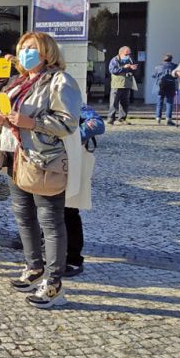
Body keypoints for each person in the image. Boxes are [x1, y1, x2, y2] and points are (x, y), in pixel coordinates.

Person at [0, 31, 82, 309]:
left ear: (46, 52)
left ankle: (54, 283)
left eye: (31, 48)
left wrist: (31, 122)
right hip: (15, 157)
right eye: (22, 48)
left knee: (51, 222)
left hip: (43, 159)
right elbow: (1, 108)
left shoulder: (60, 81)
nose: (25, 53)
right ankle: (34, 269)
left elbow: (68, 122)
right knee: (24, 218)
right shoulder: (19, 81)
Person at [64, 104, 105, 277]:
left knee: (69, 211)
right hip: (47, 166)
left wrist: (73, 138)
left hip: (72, 164)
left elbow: (97, 124)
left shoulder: (74, 102)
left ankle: (73, 258)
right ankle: (52, 254)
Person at [107, 46, 138, 125]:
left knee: (125, 103)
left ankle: (122, 118)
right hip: (117, 84)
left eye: (129, 54)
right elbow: (113, 70)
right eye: (126, 54)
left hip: (127, 84)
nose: (128, 55)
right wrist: (124, 67)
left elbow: (133, 69)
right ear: (121, 53)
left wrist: (133, 68)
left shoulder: (130, 59)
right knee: (114, 102)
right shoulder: (115, 60)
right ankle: (111, 118)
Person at [152, 54, 178, 126]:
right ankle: (168, 119)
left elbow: (153, 75)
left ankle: (158, 119)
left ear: (163, 59)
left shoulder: (158, 66)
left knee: (159, 102)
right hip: (171, 85)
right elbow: (177, 76)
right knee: (169, 102)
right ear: (171, 59)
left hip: (161, 86)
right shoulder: (175, 66)